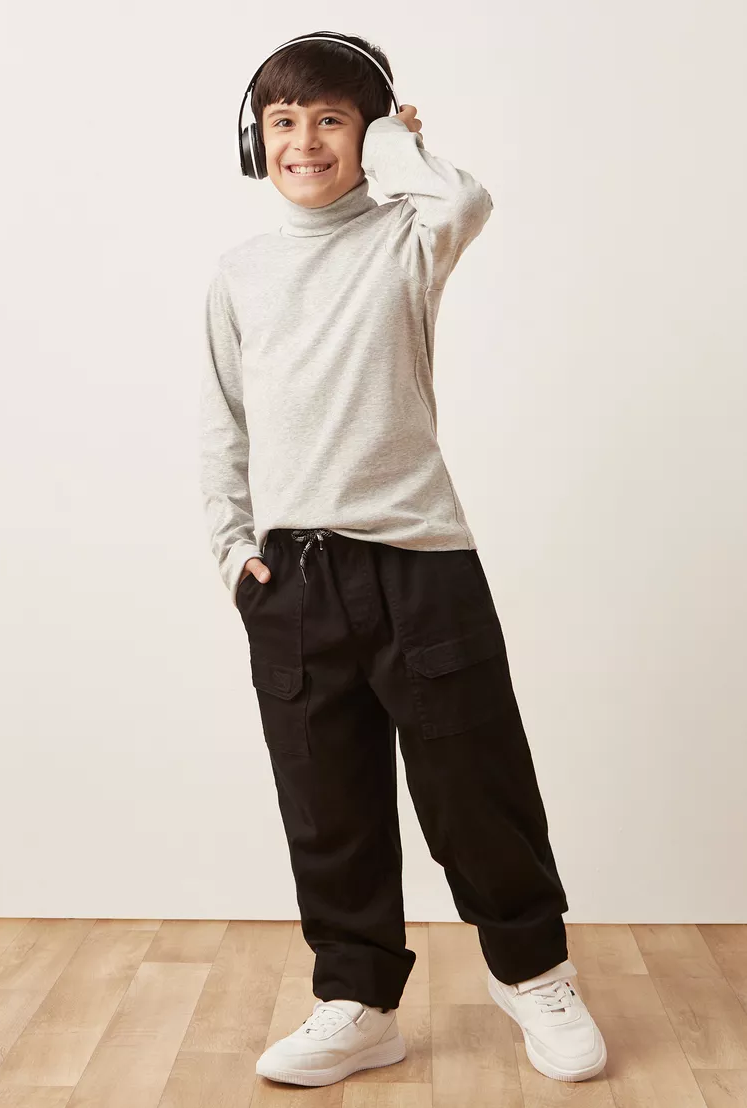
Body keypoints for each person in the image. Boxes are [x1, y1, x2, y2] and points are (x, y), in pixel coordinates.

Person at [199, 30, 607, 1088]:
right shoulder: (239, 274)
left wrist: (396, 146)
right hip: (293, 580)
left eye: (331, 119)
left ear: (370, 132)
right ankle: (357, 1000)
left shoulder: (405, 237)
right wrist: (234, 552)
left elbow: (464, 200)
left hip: (421, 562)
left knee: (477, 789)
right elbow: (223, 425)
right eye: (283, 122)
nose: (303, 141)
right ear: (254, 140)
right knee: (326, 806)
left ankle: (535, 974)